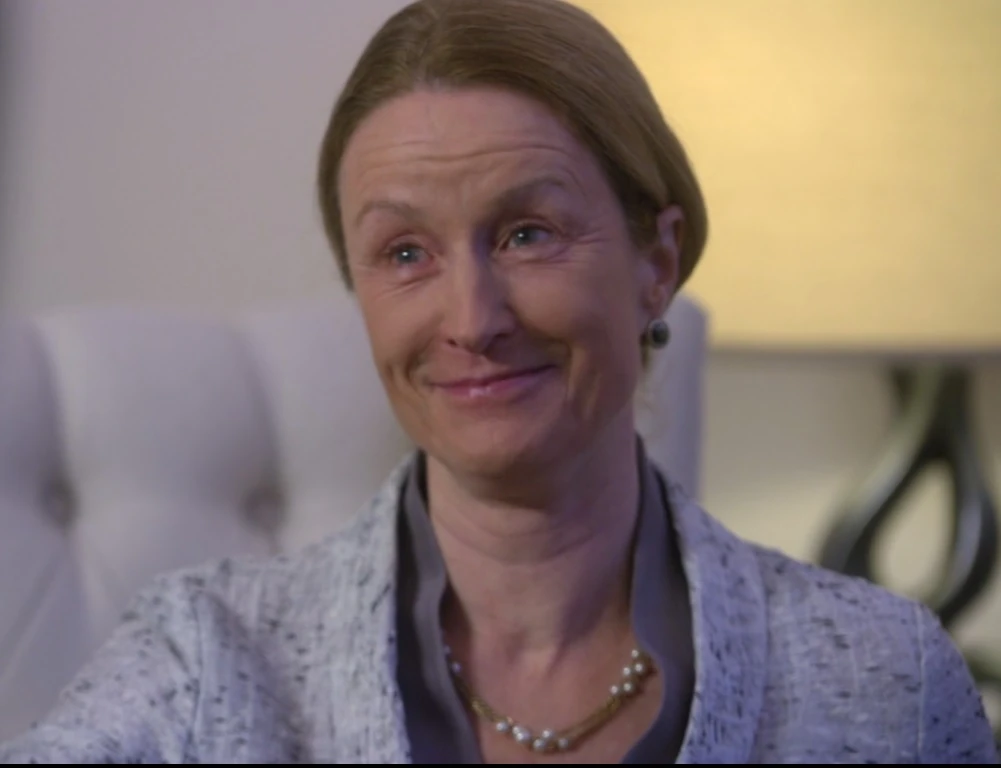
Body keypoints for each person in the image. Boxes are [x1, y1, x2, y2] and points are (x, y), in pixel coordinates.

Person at [2, 0, 997, 763]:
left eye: (528, 233)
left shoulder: (885, 681)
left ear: (656, 262)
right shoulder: (200, 662)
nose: (472, 320)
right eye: (404, 253)